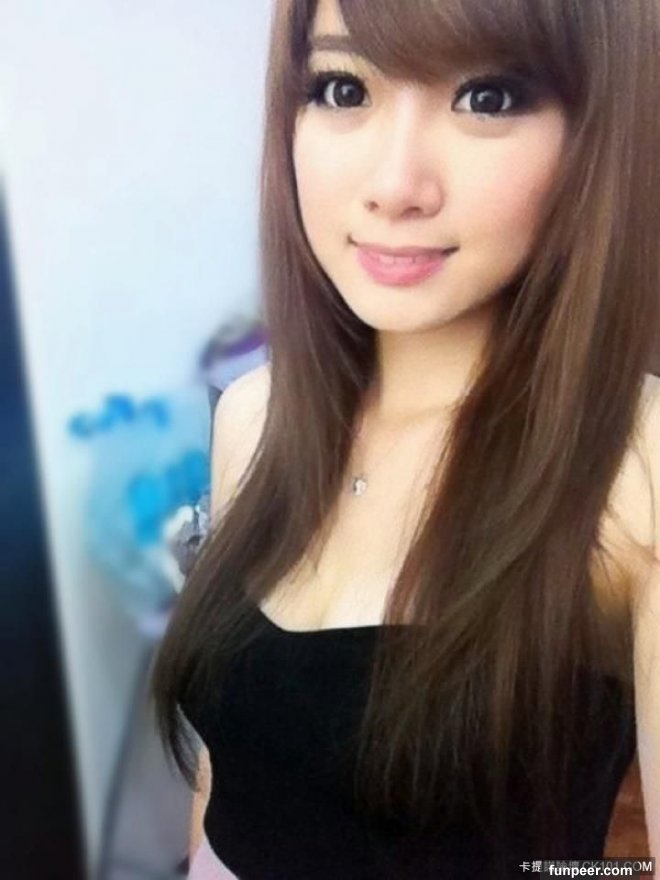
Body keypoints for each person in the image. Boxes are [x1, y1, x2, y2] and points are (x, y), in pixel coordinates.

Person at [151, 0, 660, 877]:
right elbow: (228, 772)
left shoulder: (634, 472)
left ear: (594, 133)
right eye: (343, 88)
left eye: (489, 97)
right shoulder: (255, 415)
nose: (394, 184)